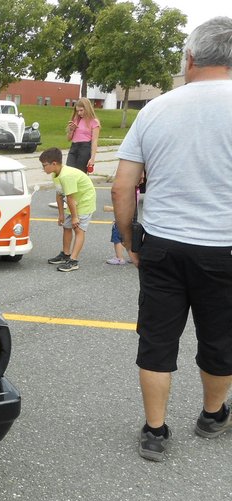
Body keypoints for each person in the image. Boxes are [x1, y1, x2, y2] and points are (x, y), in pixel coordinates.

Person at [111, 16, 232, 462]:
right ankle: (212, 415)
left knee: (158, 338)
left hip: (162, 242)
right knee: (220, 337)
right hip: (224, 246)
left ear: (191, 58)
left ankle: (155, 430)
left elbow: (123, 187)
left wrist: (131, 239)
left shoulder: (156, 109)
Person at [40, 147, 96, 272]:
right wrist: (61, 214)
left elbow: (70, 198)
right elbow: (60, 194)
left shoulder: (66, 176)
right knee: (66, 226)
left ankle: (74, 260)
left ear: (54, 163)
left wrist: (75, 217)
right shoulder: (56, 174)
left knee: (78, 229)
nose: (43, 169)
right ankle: (65, 254)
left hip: (84, 202)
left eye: (44, 166)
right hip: (74, 201)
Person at [65, 98, 100, 173]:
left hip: (85, 148)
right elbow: (68, 139)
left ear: (87, 108)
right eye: (77, 111)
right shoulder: (76, 120)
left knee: (80, 173)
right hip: (74, 147)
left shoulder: (94, 121)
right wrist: (71, 130)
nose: (79, 113)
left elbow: (94, 141)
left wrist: (92, 158)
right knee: (68, 171)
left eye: (81, 110)